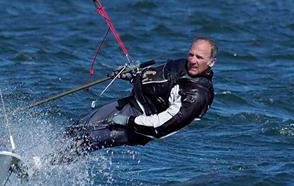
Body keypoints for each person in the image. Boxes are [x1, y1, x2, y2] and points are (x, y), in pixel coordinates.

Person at [67, 37, 217, 153]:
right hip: (130, 103)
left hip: (138, 126)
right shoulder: (181, 65)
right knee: (77, 128)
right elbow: (158, 80)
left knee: (87, 141)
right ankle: (46, 150)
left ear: (211, 62)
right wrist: (133, 75)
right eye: (191, 55)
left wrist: (128, 121)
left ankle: (50, 165)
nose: (193, 61)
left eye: (199, 57)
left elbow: (162, 125)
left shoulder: (197, 95)